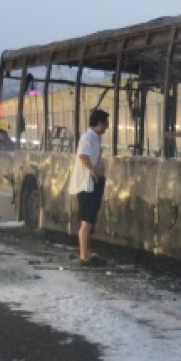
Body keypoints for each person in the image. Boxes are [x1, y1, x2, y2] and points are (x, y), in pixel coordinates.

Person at [68, 109, 109, 265]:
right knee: (86, 220)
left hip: (92, 183)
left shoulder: (94, 138)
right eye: (105, 124)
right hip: (87, 184)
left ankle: (87, 252)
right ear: (98, 123)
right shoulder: (88, 138)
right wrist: (93, 171)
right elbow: (83, 156)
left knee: (89, 220)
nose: (106, 127)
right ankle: (84, 256)